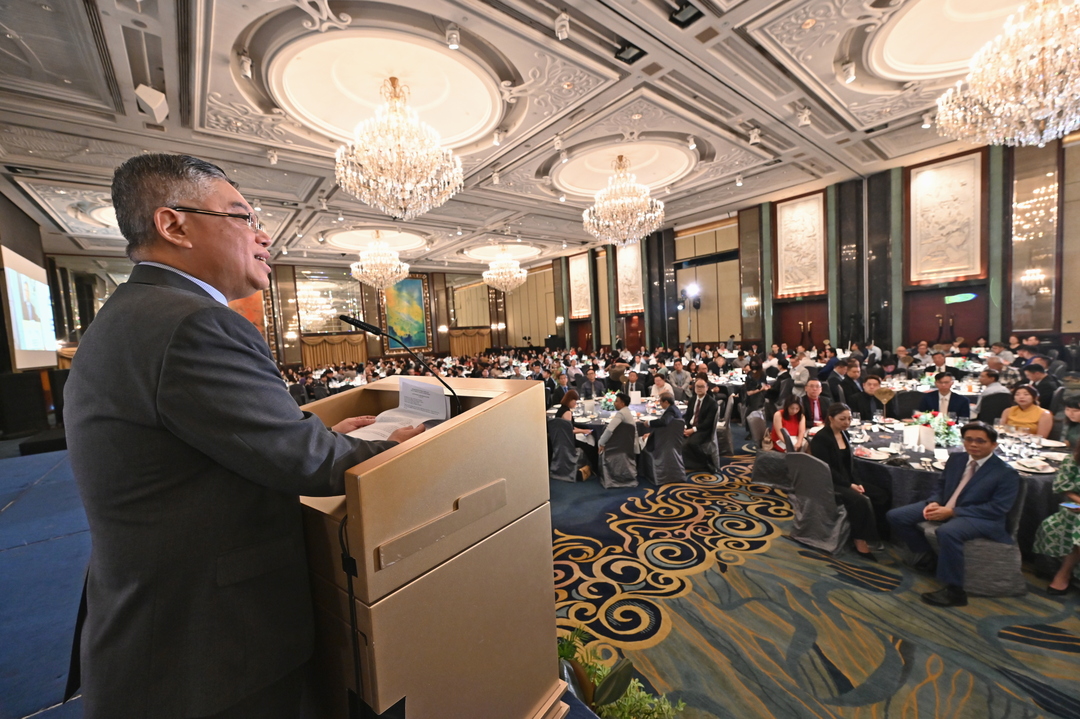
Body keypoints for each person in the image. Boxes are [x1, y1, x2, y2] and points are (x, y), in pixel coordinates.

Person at [63, 154, 427, 719]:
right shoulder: (193, 322)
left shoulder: (136, 312)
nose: (262, 235)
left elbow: (206, 445)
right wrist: (400, 448)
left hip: (161, 622)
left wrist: (317, 433)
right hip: (206, 643)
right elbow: (307, 464)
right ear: (173, 225)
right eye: (242, 216)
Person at [887, 422, 1020, 607]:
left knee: (948, 532)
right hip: (946, 505)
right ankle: (928, 556)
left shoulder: (1006, 473)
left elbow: (998, 508)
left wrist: (953, 512)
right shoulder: (957, 459)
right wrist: (935, 501)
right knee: (896, 516)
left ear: (994, 445)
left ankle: (955, 591)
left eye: (980, 441)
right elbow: (941, 486)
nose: (973, 444)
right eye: (969, 439)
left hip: (981, 517)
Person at [810, 403, 890, 560]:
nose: (847, 422)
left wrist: (857, 482)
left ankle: (879, 533)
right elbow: (826, 469)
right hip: (830, 482)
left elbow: (850, 465)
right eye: (842, 419)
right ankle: (859, 540)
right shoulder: (821, 439)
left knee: (882, 495)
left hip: (846, 479)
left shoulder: (843, 434)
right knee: (858, 501)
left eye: (849, 419)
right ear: (831, 418)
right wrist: (849, 485)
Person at [1034, 439, 1080, 595]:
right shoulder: (1073, 460)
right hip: (1075, 504)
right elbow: (1063, 487)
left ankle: (1064, 574)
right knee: (1072, 518)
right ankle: (1064, 573)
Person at [683, 378, 719, 471]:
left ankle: (707, 462)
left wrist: (693, 430)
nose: (699, 389)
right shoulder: (692, 399)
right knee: (676, 437)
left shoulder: (711, 403)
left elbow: (708, 422)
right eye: (697, 386)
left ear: (707, 388)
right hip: (691, 426)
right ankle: (688, 463)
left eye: (702, 387)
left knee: (692, 443)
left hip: (703, 429)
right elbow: (688, 416)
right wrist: (686, 427)